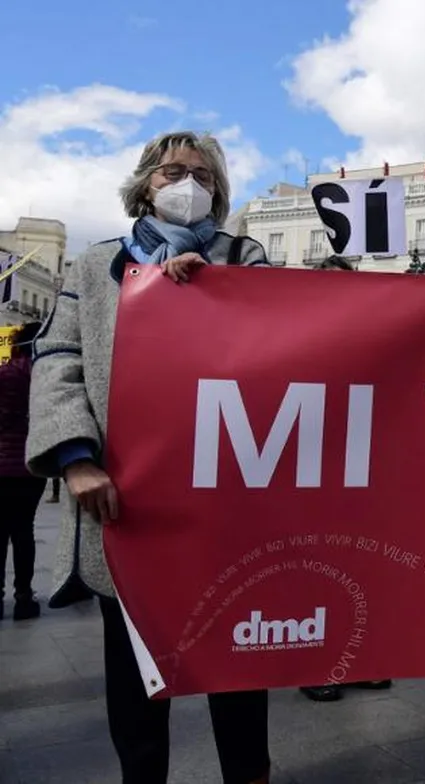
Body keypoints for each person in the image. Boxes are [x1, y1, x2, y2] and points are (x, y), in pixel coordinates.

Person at [25, 131, 273, 784]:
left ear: (218, 193)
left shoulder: (246, 257)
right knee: (135, 691)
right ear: (145, 183)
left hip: (227, 512)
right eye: (172, 171)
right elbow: (58, 359)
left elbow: (304, 330)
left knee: (240, 675)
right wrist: (76, 459)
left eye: (203, 174)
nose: (187, 182)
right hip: (127, 508)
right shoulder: (95, 264)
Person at [297, 252, 394, 702]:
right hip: (308, 469)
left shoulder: (367, 333)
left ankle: (353, 660)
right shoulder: (295, 334)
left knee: (354, 567)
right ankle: (316, 665)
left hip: (360, 470)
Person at [1, 320, 46, 622]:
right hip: (31, 468)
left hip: (1, 466)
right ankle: (23, 597)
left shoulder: (3, 374)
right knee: (24, 531)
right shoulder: (42, 378)